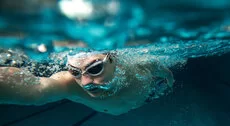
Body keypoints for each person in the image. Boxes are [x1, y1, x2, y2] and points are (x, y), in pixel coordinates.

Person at [0, 50, 174, 115]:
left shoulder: (142, 65)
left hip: (148, 96)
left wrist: (169, 82)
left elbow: (165, 73)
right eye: (74, 72)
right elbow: (36, 91)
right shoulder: (69, 84)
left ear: (113, 58)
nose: (84, 82)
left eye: (94, 69)